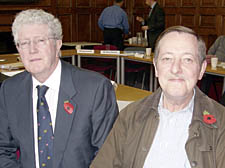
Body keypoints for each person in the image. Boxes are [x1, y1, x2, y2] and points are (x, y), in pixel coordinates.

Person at [90, 26, 225, 168]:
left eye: (187, 60)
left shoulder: (221, 122)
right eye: (167, 59)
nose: (175, 69)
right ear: (156, 67)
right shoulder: (130, 116)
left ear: (201, 69)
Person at [0, 9, 119, 168]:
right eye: (24, 43)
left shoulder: (96, 89)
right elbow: (3, 150)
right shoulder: (9, 90)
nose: (32, 50)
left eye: (40, 40)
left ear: (58, 44)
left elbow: (107, 157)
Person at [200, 35, 225, 100]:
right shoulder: (221, 39)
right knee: (206, 74)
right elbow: (210, 52)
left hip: (223, 69)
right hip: (214, 67)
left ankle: (222, 104)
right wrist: (211, 57)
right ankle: (202, 98)